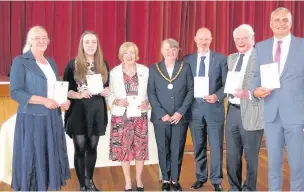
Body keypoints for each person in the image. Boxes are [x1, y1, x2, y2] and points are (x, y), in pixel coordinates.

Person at [10, 25, 70, 191]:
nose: (42, 40)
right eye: (37, 38)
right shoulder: (20, 61)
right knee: (33, 157)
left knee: (48, 155)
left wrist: (63, 101)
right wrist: (43, 101)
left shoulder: (51, 62)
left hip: (52, 117)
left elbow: (56, 88)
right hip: (32, 118)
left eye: (44, 37)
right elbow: (15, 92)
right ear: (30, 41)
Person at [251, 7, 304, 191]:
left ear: (291, 23)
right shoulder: (261, 47)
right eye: (277, 20)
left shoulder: (302, 46)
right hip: (271, 114)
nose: (281, 23)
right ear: (270, 24)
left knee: (298, 164)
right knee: (273, 163)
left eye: (285, 20)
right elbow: (255, 76)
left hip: (296, 116)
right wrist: (255, 90)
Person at [63, 30, 110, 191]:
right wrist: (79, 94)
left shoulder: (103, 64)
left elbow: (107, 86)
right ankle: (82, 186)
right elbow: (66, 91)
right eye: (87, 42)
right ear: (82, 45)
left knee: (92, 147)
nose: (90, 45)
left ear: (97, 45)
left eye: (93, 42)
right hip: (79, 112)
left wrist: (107, 91)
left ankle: (90, 182)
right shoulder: (72, 64)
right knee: (80, 148)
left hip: (97, 111)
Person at [183, 27, 227, 191]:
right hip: (194, 110)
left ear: (211, 39)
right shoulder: (187, 60)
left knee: (216, 146)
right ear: (195, 39)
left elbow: (226, 85)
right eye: (200, 38)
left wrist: (217, 96)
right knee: (198, 145)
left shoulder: (221, 59)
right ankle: (200, 177)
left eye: (206, 39)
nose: (203, 41)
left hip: (214, 109)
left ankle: (216, 180)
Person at [148, 38, 194, 191]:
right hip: (161, 119)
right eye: (167, 49)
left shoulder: (185, 67)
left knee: (177, 149)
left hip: (179, 119)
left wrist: (180, 112)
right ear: (162, 51)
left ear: (177, 51)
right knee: (163, 149)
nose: (171, 51)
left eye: (174, 49)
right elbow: (151, 93)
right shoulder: (154, 68)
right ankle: (166, 180)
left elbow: (190, 91)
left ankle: (175, 180)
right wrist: (162, 114)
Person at [225, 24, 264, 191]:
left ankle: (249, 188)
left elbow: (268, 87)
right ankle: (234, 188)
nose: (240, 42)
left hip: (253, 111)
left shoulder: (262, 57)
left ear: (252, 38)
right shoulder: (231, 58)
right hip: (232, 111)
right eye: (237, 39)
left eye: (244, 38)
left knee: (250, 156)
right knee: (232, 155)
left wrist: (247, 93)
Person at [107, 42, 150, 191]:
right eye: (126, 53)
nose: (129, 56)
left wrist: (148, 102)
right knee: (124, 150)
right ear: (121, 55)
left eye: (132, 52)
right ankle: (127, 182)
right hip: (121, 116)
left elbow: (152, 92)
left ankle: (138, 180)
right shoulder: (114, 72)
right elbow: (109, 93)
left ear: (136, 55)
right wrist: (115, 100)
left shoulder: (145, 70)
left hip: (140, 116)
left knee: (140, 149)